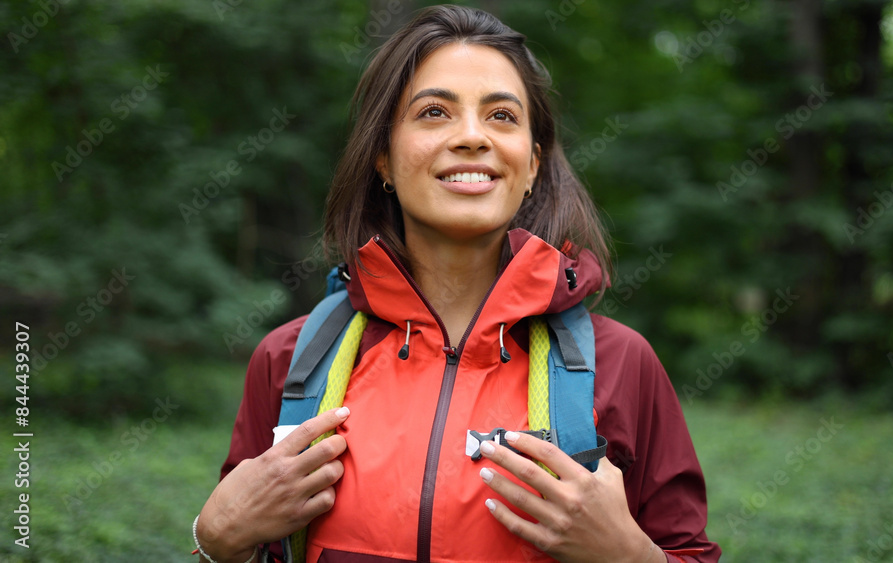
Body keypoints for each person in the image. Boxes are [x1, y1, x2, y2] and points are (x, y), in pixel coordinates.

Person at [194, 5, 721, 563]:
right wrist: (216, 540)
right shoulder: (288, 359)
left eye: (501, 116)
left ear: (533, 163)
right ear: (383, 159)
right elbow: (241, 540)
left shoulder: (622, 365)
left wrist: (632, 557)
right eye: (434, 112)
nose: (472, 137)